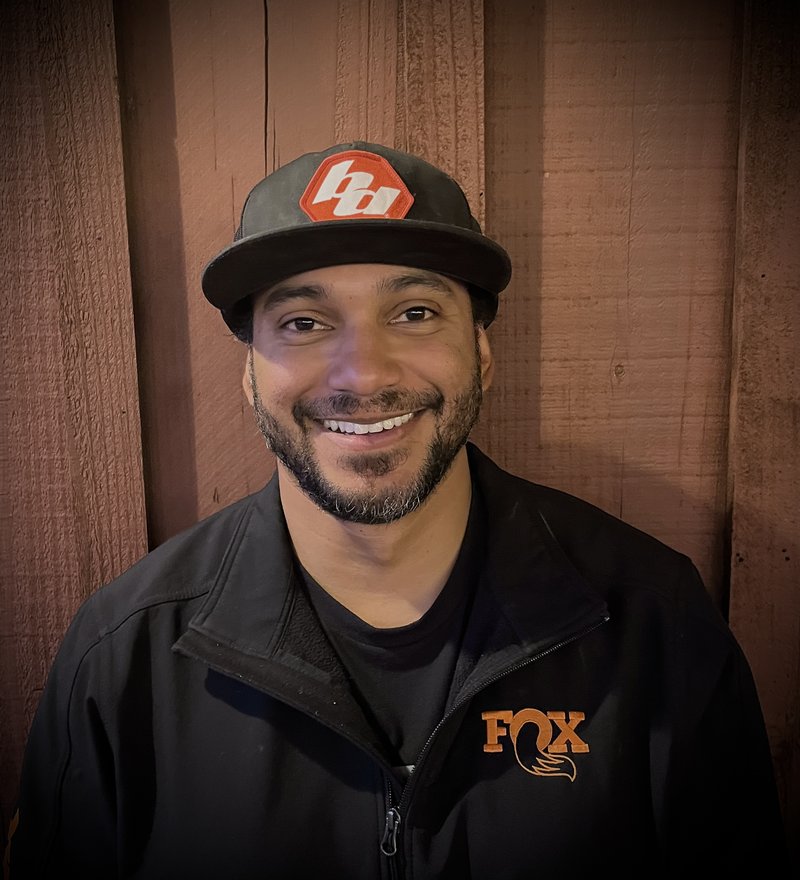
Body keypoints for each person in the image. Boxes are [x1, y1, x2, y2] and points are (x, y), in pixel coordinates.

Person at [6, 142, 788, 878]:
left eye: (414, 312)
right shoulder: (124, 658)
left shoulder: (652, 624)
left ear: (481, 355)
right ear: (249, 376)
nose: (364, 373)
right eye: (304, 322)